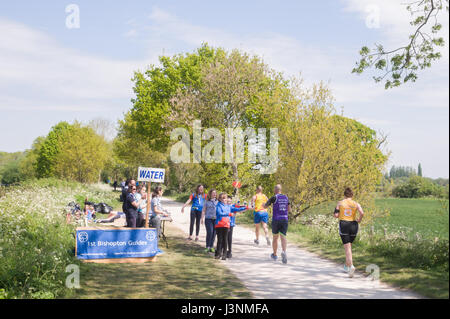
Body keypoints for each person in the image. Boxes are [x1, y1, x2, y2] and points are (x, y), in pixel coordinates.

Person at [333, 187, 364, 278]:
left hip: (344, 224)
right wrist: (359, 220)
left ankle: (351, 266)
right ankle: (346, 266)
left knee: (347, 248)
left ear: (344, 195)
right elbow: (362, 213)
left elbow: (336, 215)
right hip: (354, 225)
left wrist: (338, 212)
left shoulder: (340, 203)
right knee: (349, 246)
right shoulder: (356, 203)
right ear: (352, 195)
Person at [214, 193, 248, 260]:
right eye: (223, 198)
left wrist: (246, 207)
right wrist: (229, 214)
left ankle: (224, 254)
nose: (224, 199)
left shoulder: (229, 206)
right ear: (220, 199)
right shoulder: (218, 205)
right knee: (220, 240)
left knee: (225, 239)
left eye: (225, 198)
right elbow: (219, 213)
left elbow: (237, 209)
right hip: (219, 224)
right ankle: (218, 254)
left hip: (226, 225)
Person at [264, 184, 291, 264]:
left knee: (275, 238)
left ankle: (275, 255)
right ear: (281, 190)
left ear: (275, 190)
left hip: (276, 219)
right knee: (283, 236)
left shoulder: (274, 197)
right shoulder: (286, 197)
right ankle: (284, 251)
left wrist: (263, 205)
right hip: (284, 219)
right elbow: (289, 209)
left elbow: (265, 206)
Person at [201, 189, 218, 253]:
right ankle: (207, 246)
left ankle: (211, 246)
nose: (214, 194)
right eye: (213, 193)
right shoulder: (207, 201)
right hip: (208, 219)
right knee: (210, 232)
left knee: (214, 233)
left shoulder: (218, 202)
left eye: (215, 193)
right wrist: (202, 218)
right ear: (210, 194)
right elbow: (203, 210)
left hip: (216, 219)